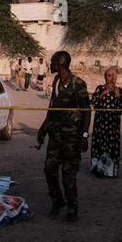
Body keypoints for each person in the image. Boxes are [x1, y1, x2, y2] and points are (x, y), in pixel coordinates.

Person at [37, 51, 91, 222]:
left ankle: (72, 208)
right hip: (55, 136)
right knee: (49, 170)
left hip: (72, 139)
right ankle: (57, 201)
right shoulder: (56, 81)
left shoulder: (78, 84)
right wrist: (43, 128)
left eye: (52, 62)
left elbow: (87, 111)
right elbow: (52, 108)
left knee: (68, 175)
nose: (50, 65)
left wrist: (84, 135)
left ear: (59, 64)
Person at [90, 67, 122, 178]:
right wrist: (103, 93)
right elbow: (94, 103)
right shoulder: (99, 88)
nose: (107, 77)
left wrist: (117, 94)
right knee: (99, 144)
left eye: (109, 75)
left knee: (111, 145)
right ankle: (98, 170)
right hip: (100, 123)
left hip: (113, 124)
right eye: (105, 75)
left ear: (114, 77)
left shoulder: (119, 90)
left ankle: (110, 172)